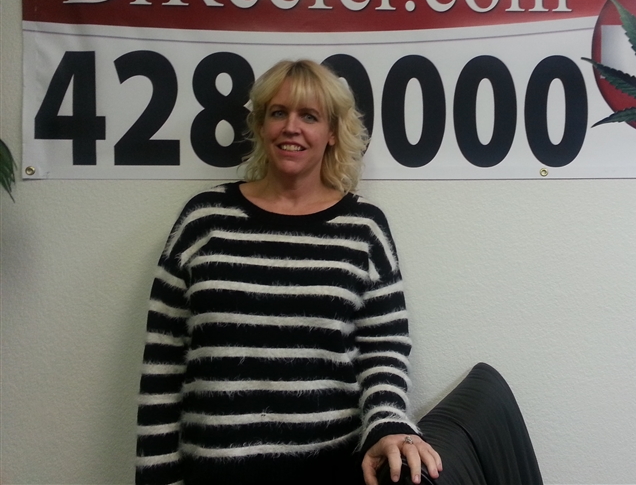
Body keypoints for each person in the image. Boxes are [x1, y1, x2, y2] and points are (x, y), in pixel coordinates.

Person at [136, 59, 442, 485]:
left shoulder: (363, 228)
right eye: (278, 113)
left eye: (309, 116)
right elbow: (162, 364)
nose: (291, 128)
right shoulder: (203, 220)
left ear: (332, 132)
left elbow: (383, 349)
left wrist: (389, 422)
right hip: (214, 473)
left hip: (332, 473)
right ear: (262, 125)